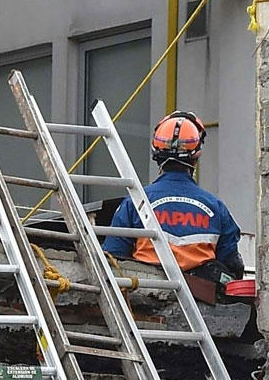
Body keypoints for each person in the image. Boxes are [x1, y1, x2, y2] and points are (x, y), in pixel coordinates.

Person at [101, 111, 244, 280]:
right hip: (199, 301)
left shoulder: (137, 202)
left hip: (144, 293)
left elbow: (113, 258)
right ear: (196, 157)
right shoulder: (216, 207)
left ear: (156, 155)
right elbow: (232, 265)